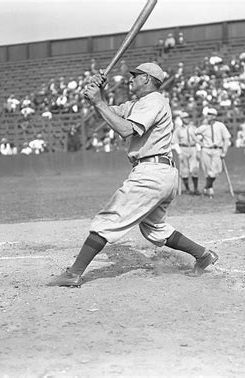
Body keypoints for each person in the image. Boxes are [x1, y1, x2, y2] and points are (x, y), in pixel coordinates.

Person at [48, 62, 219, 287]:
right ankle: (203, 254)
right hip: (160, 172)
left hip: (151, 172)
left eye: (135, 76)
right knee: (154, 229)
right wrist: (98, 96)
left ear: (147, 79)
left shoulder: (154, 101)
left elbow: (126, 129)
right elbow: (111, 114)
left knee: (109, 219)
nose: (130, 79)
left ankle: (74, 273)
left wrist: (99, 101)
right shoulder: (139, 104)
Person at [195, 108, 231, 198]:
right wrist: (200, 143)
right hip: (206, 149)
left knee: (216, 170)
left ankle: (206, 187)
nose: (209, 116)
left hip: (217, 149)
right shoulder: (203, 127)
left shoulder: (220, 125)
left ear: (215, 116)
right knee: (207, 170)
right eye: (208, 114)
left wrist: (224, 151)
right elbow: (194, 134)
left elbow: (226, 138)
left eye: (211, 115)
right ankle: (210, 191)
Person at [172, 112, 201, 195]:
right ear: (181, 119)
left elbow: (197, 140)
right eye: (184, 118)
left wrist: (198, 150)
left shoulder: (194, 128)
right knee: (184, 170)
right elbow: (175, 142)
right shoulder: (178, 130)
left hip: (193, 148)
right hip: (183, 148)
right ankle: (187, 188)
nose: (186, 119)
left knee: (195, 169)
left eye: (188, 117)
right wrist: (179, 153)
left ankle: (196, 189)